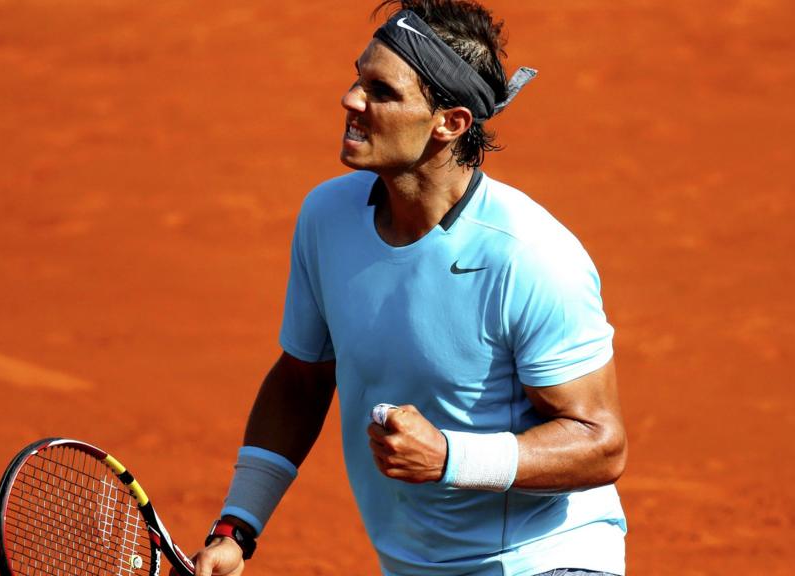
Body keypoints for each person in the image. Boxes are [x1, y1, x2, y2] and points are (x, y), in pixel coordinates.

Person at [181, 1, 628, 575]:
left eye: (380, 91)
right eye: (357, 78)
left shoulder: (529, 258)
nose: (350, 99)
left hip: (542, 559)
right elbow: (302, 379)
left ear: (450, 123)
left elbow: (600, 441)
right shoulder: (327, 217)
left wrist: (450, 458)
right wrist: (237, 528)